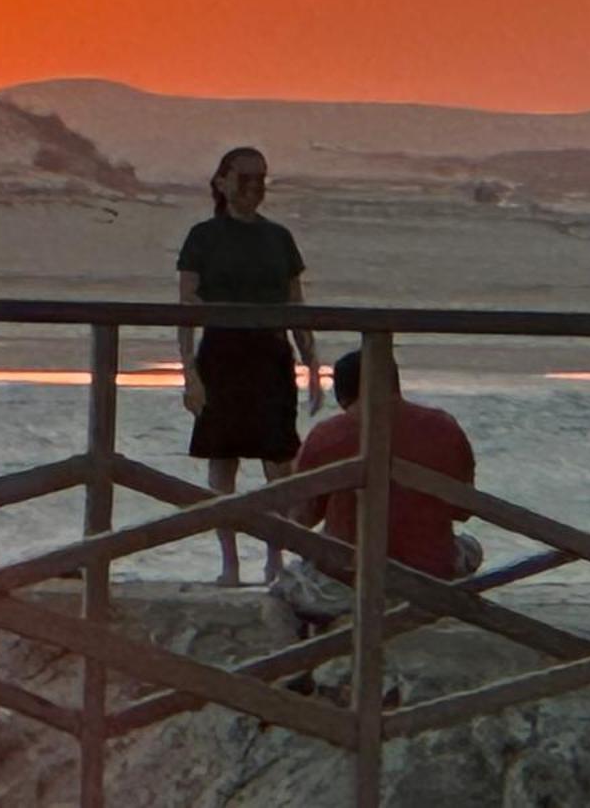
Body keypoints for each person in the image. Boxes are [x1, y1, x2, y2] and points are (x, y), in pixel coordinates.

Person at [177, 146, 322, 586]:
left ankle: (275, 560)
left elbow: (296, 305)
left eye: (261, 179)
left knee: (280, 463)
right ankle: (230, 564)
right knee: (222, 463)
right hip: (220, 355)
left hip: (271, 355)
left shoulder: (278, 238)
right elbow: (185, 309)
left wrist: (314, 365)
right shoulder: (203, 237)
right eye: (244, 178)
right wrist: (190, 374)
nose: (254, 188)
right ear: (222, 182)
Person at [274, 348, 482, 626]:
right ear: (395, 382)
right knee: (470, 548)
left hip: (349, 578)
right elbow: (463, 510)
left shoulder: (328, 434)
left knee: (289, 581)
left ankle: (307, 650)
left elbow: (300, 521)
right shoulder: (443, 426)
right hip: (430, 574)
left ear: (342, 394)